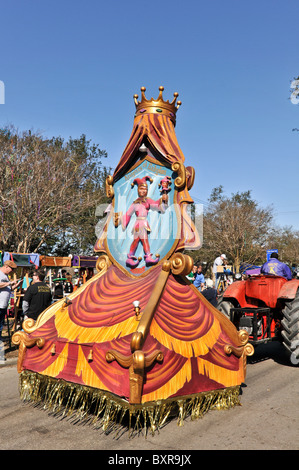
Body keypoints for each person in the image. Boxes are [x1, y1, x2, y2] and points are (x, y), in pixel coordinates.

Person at [0, 260, 22, 339]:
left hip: (3, 305)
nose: (12, 271)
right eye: (11, 269)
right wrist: (9, 283)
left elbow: (8, 289)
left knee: (1, 325)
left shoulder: (6, 276)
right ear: (6, 266)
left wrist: (16, 285)